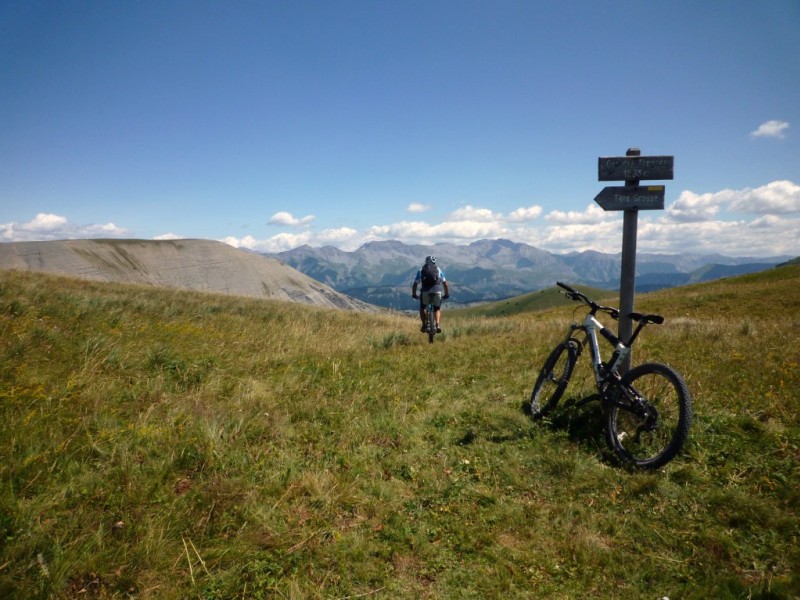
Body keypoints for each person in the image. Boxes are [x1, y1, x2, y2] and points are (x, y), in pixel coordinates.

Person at [411, 256, 450, 333]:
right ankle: (437, 324)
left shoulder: (421, 270)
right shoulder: (438, 270)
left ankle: (424, 325)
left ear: (426, 262)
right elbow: (445, 284)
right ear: (434, 262)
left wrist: (414, 294)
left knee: (423, 308)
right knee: (437, 309)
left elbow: (415, 284)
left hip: (425, 291)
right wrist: (446, 294)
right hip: (437, 291)